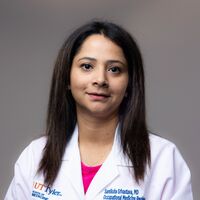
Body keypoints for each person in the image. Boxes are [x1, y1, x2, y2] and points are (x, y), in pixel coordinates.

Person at [5, 20, 193, 200]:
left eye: (114, 69)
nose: (100, 79)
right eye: (87, 66)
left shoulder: (163, 159)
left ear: (129, 84)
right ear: (67, 79)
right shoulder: (35, 156)